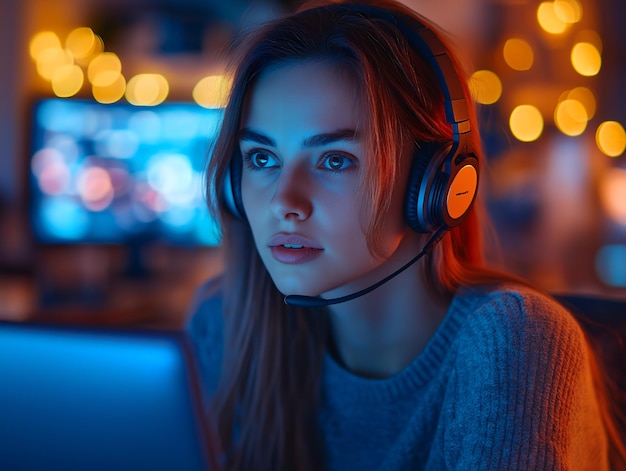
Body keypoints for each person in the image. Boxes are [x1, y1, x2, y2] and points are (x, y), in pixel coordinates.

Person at [188, 0, 626, 469]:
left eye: (335, 160)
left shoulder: (512, 342)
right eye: (261, 158)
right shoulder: (223, 326)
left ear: (436, 184)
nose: (283, 201)